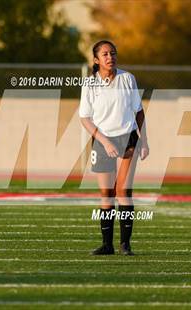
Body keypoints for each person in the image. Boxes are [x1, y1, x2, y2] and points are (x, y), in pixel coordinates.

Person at [79, 40, 149, 255]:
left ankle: (125, 244)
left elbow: (138, 111)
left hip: (127, 138)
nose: (110, 57)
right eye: (105, 54)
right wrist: (105, 141)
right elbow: (85, 118)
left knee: (124, 192)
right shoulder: (90, 84)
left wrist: (144, 140)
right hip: (102, 141)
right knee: (107, 194)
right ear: (96, 60)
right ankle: (107, 245)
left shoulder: (128, 79)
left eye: (113, 53)